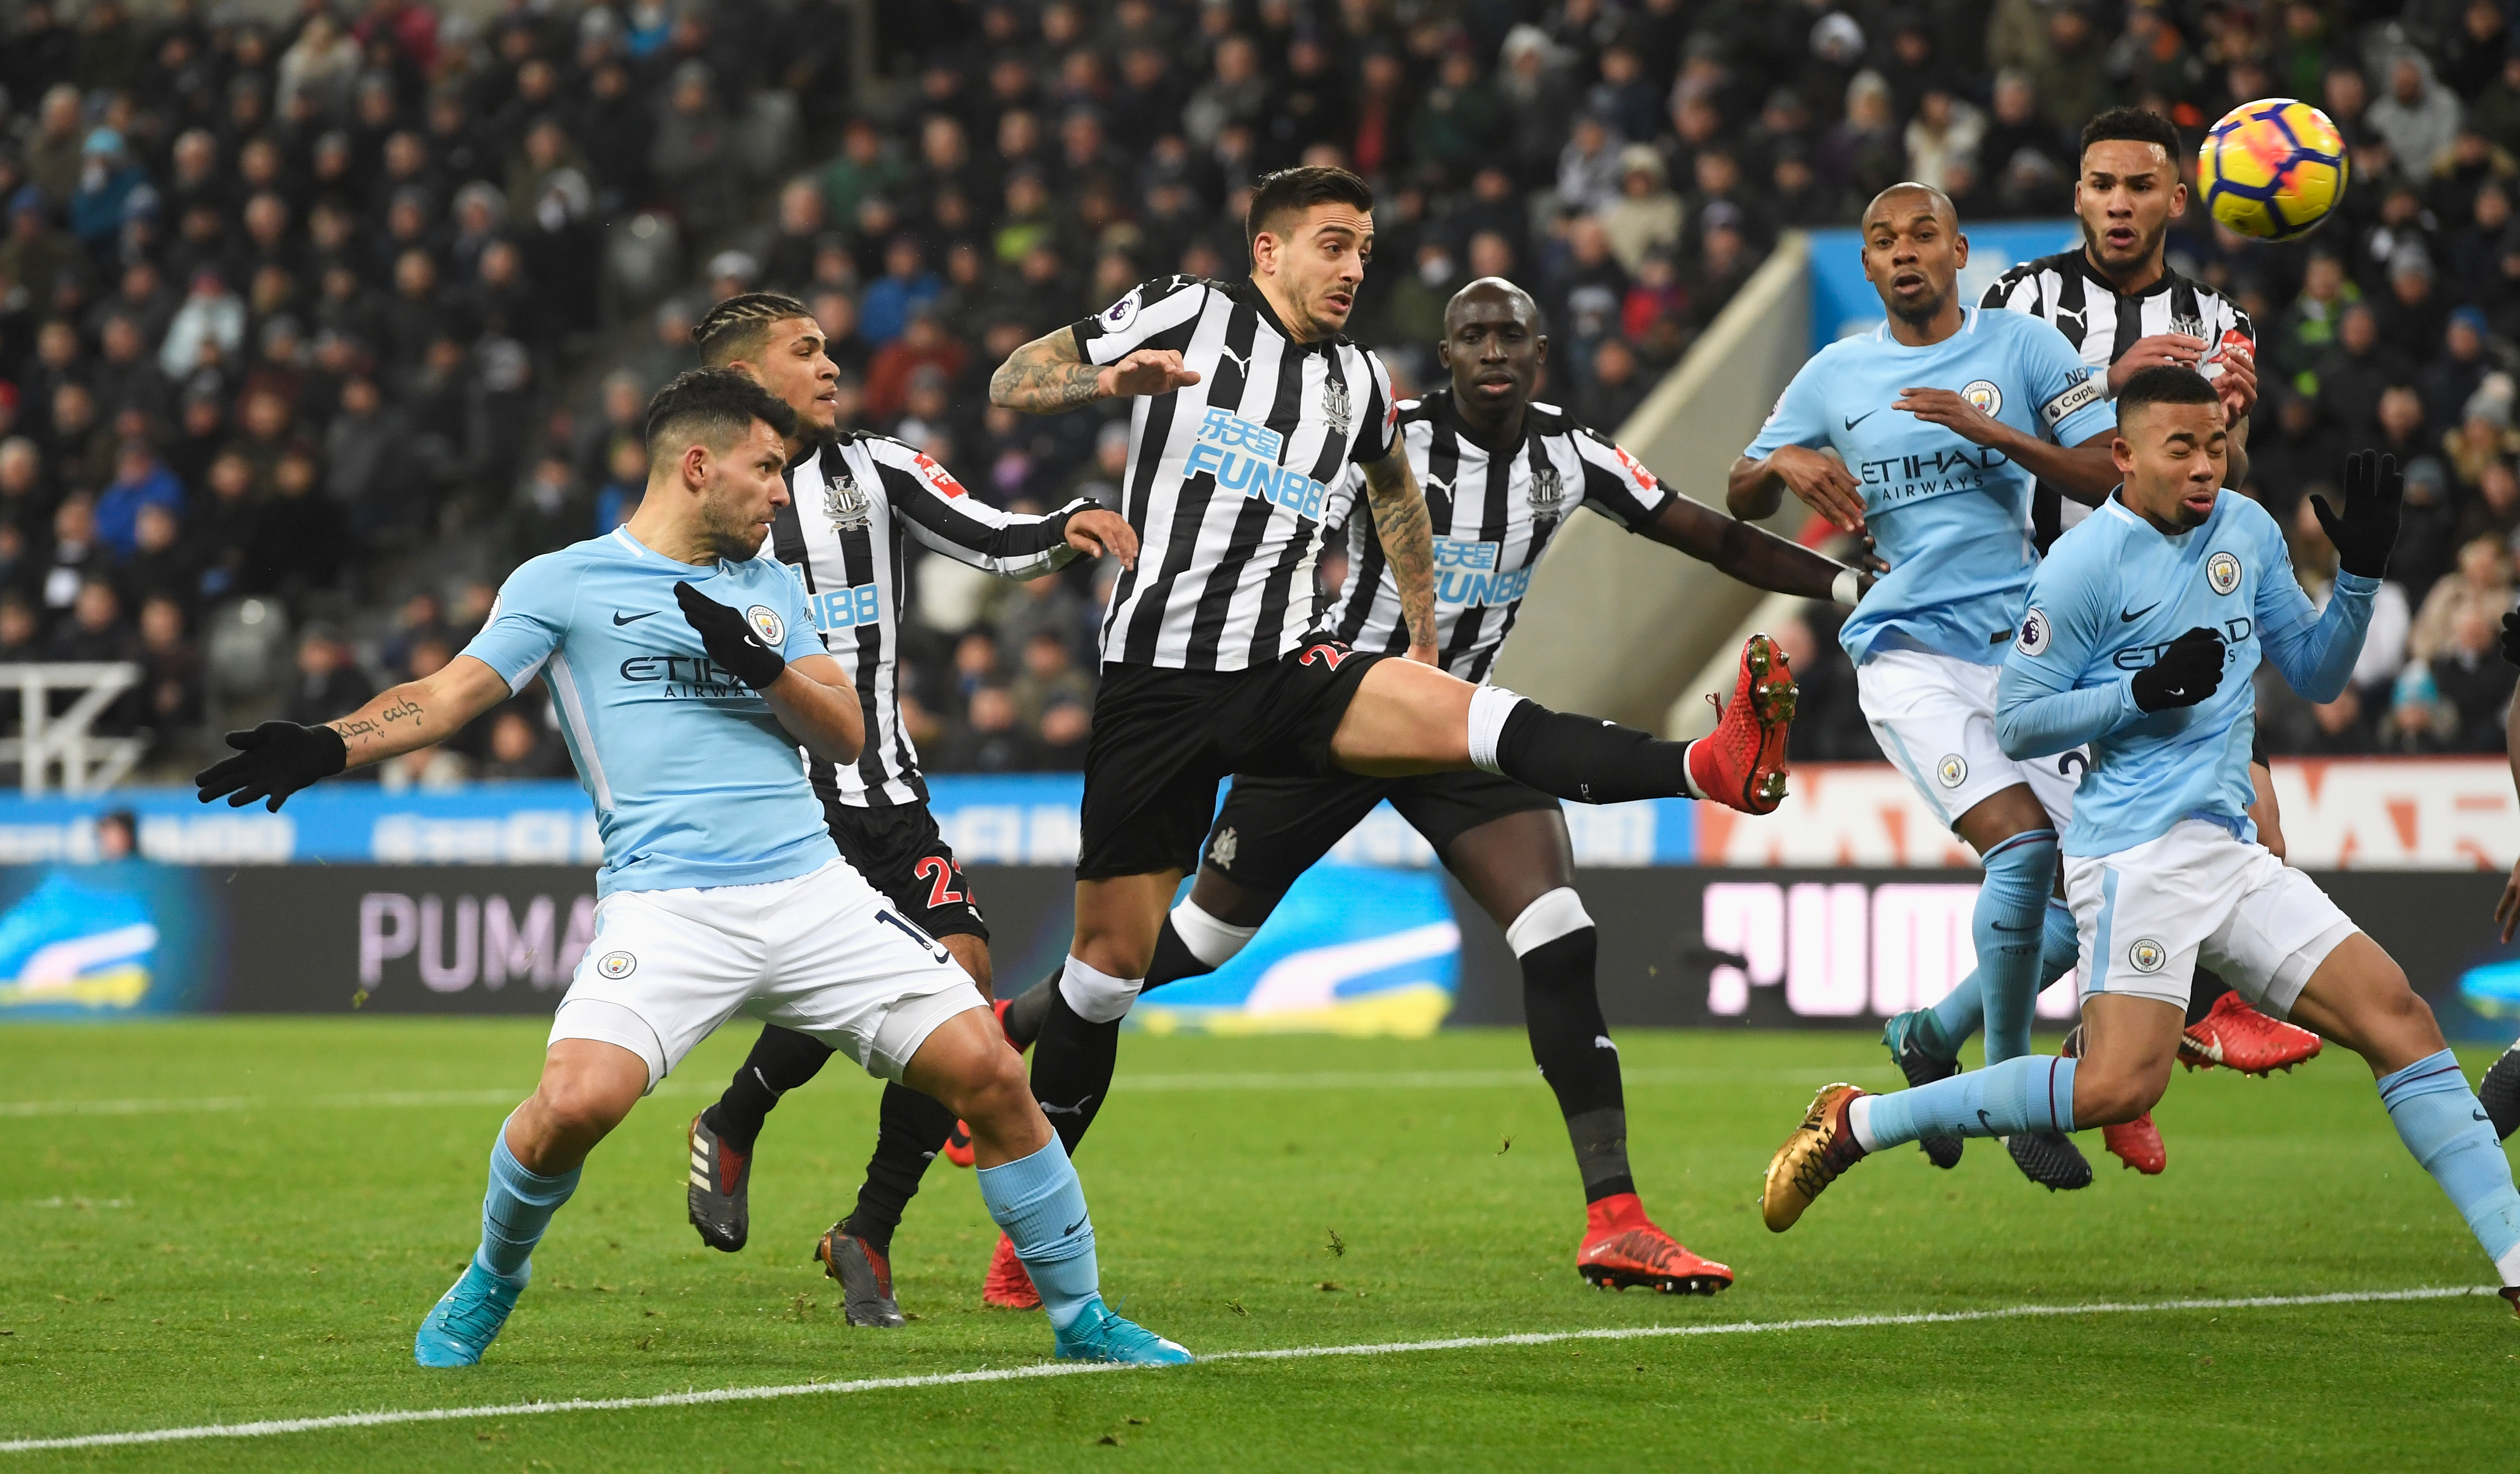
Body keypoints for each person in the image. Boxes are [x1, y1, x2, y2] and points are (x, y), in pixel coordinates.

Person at [193, 369, 1190, 1370]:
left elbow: (844, 730)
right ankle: (492, 1275)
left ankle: (1081, 1317)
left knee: (987, 1070)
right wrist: (331, 742)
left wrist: (762, 663)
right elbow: (448, 696)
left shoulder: (768, 585)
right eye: (765, 469)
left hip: (812, 890)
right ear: (697, 464)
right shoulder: (565, 581)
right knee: (572, 1107)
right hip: (667, 907)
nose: (777, 492)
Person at [983, 165, 1800, 1299]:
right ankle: (1022, 1116)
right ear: (1269, 252)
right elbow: (1014, 374)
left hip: (1306, 681)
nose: (1353, 268)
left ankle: (1699, 778)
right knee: (1131, 968)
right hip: (1163, 690)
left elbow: (1395, 495)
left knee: (1553, 917)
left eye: (1363, 248)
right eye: (1332, 244)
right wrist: (1108, 377)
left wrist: (1419, 630)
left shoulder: (1368, 386)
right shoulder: (1191, 312)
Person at [1764, 373, 2520, 1323]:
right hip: (2132, 857)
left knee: (2400, 1019)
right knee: (2120, 1084)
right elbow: (2022, 718)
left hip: (2232, 852)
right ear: (2124, 456)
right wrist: (2139, 695)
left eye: (2216, 445)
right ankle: (1858, 1121)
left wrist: (2362, 577)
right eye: (2181, 448)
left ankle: (2516, 1256)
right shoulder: (2084, 566)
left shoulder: (2246, 530)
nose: (2205, 465)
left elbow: (2322, 675)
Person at [667, 291, 1139, 1329]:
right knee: (920, 990)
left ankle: (856, 1224)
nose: (833, 366)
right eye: (806, 352)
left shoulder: (874, 470)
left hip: (890, 792)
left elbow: (990, 535)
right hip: (782, 807)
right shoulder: (699, 506)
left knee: (961, 984)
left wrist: (1067, 526)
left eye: (831, 348)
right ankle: (755, 1126)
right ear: (747, 382)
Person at [1897, 106, 2323, 1178]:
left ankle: (1975, 1040)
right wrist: (2118, 387)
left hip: (2177, 616)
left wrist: (2223, 419)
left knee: (2176, 850)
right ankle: (2115, 1049)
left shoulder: (2220, 318)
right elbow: (1989, 452)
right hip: (2055, 624)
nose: (2119, 204)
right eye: (2100, 185)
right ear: (2076, 196)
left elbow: (2211, 462)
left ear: (2178, 198)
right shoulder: (2019, 302)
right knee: (2092, 863)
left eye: (2140, 186)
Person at [1728, 180, 2119, 1190]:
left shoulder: (2022, 350)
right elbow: (1736, 483)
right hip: (1906, 648)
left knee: (2091, 905)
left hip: (2027, 647)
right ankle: (2005, 1090)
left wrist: (1995, 436)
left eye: (1921, 236)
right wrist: (1788, 463)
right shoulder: (1836, 370)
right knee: (2023, 847)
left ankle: (1926, 1036)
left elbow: (2106, 473)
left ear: (1958, 252)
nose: (1902, 253)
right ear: (1864, 266)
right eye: (1881, 241)